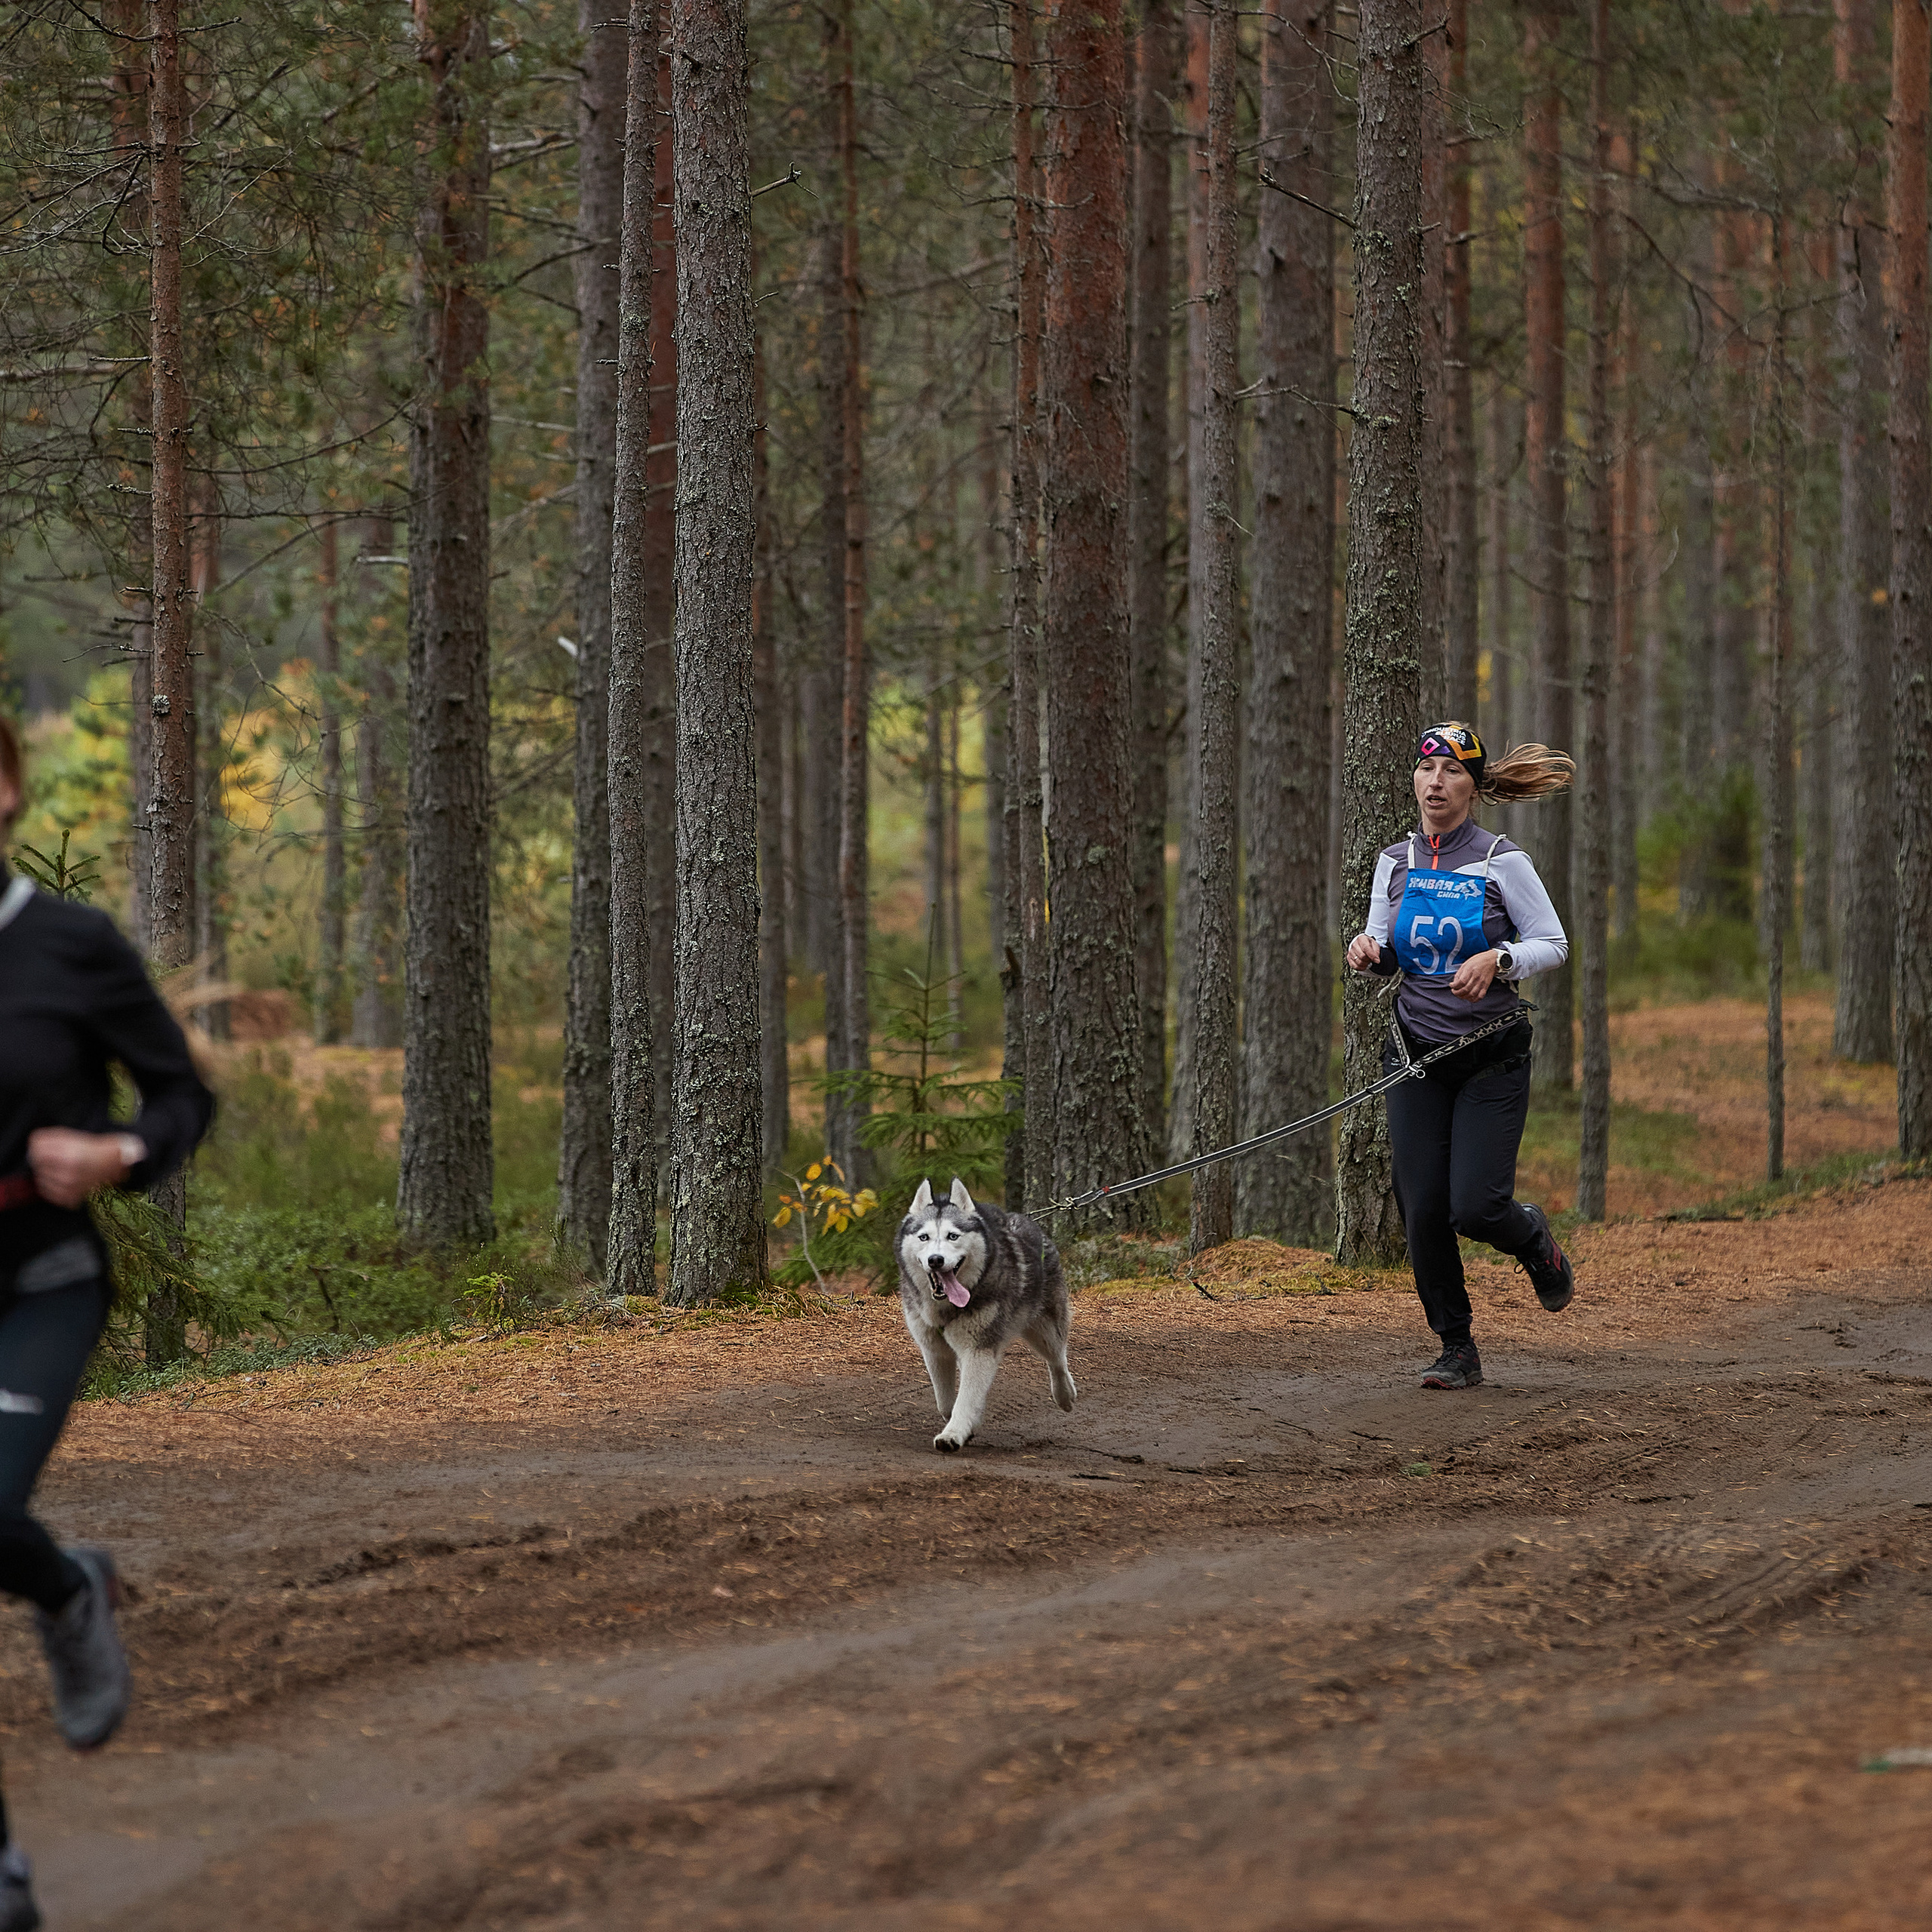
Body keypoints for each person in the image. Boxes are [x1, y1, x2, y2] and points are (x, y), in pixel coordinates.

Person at [0, 714, 214, 1930]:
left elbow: (184, 1094)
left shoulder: (68, 946)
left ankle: (67, 1592)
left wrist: (122, 1149)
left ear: (11, 788)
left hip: (42, 1281)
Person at [1344, 721, 1577, 1392]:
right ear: (1413, 781)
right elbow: (1388, 947)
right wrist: (1366, 952)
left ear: (1474, 788)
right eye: (1426, 771)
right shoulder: (1396, 860)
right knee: (1421, 1208)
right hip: (1416, 1054)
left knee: (1474, 1207)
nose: (1435, 783)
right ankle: (1456, 1346)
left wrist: (1498, 958)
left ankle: (1534, 1240)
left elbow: (1553, 943)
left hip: (1489, 1055)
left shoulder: (1503, 860)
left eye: (1450, 773)